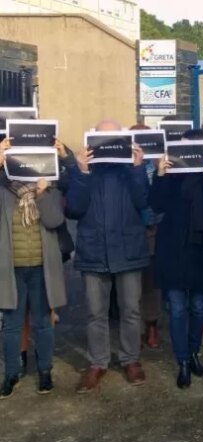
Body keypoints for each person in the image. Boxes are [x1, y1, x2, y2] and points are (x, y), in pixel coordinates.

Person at [66, 120, 149, 393]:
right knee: (95, 312)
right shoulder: (84, 170)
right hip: (94, 250)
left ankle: (130, 359)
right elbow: (74, 209)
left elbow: (143, 203)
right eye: (101, 137)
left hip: (128, 249)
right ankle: (98, 362)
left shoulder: (130, 170)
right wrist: (81, 171)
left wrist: (138, 169)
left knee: (131, 310)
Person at [151, 129, 203, 388]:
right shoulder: (171, 176)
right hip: (174, 249)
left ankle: (195, 353)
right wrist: (161, 175)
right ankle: (183, 361)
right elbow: (156, 205)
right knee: (177, 308)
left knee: (199, 307)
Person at [0, 139, 67, 398]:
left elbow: (54, 220)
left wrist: (42, 194)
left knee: (42, 323)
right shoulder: (4, 188)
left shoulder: (47, 187)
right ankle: (11, 373)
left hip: (41, 268)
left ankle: (45, 371)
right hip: (10, 268)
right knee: (11, 326)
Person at [129, 124, 163, 349]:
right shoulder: (125, 166)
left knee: (151, 282)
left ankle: (151, 325)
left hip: (154, 228)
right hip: (130, 228)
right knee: (131, 283)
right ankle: (132, 328)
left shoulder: (159, 164)